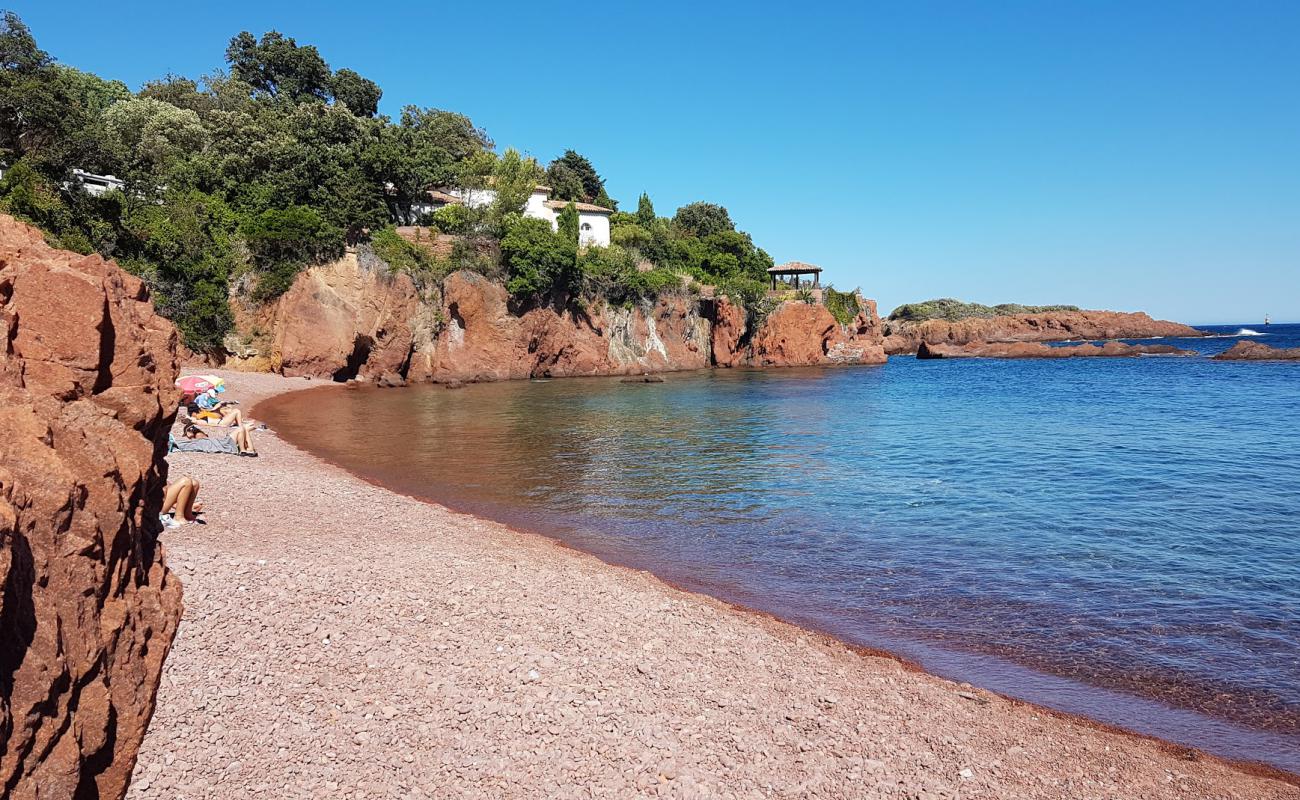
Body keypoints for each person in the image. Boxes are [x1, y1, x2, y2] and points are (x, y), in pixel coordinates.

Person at [172, 418, 258, 456]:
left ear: (189, 431)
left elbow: (202, 440)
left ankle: (245, 450)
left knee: (242, 429)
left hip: (222, 442)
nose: (186, 437)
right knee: (242, 429)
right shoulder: (199, 436)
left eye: (186, 434)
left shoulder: (198, 435)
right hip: (221, 442)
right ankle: (247, 449)